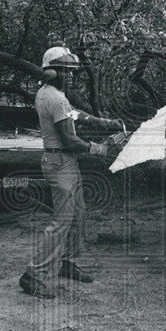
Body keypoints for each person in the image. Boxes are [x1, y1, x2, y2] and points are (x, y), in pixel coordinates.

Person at [20, 46, 125, 299]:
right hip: (60, 162)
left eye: (72, 72)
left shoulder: (52, 94)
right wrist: (103, 147)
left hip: (65, 162)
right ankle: (31, 276)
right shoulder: (55, 98)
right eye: (65, 71)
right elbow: (69, 140)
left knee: (78, 215)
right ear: (51, 71)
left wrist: (103, 122)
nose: (71, 76)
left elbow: (73, 114)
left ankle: (67, 264)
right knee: (62, 221)